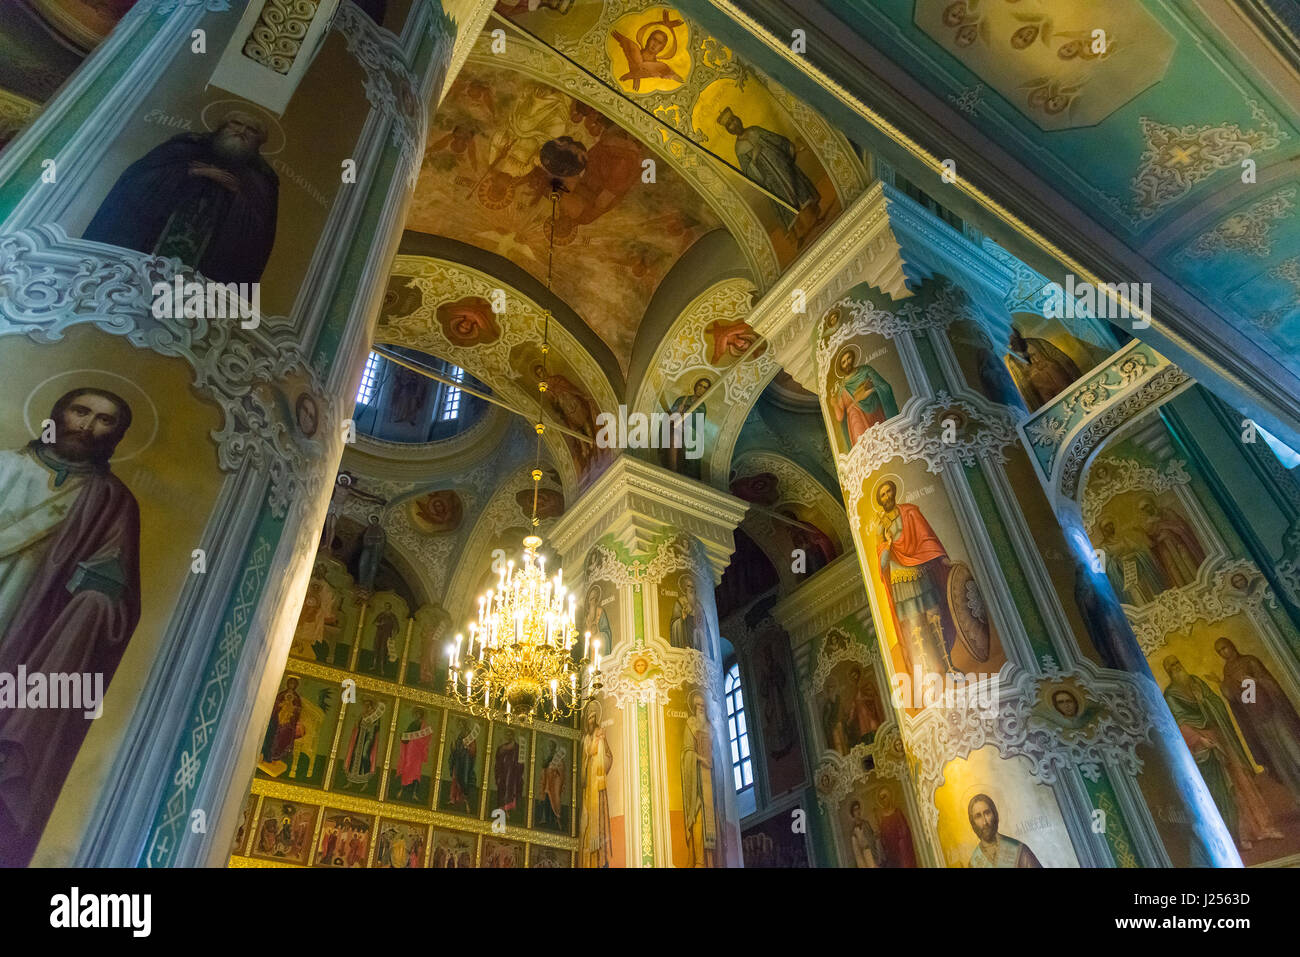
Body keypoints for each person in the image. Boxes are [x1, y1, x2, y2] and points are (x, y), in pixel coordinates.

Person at [0, 388, 142, 866]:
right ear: (57, 414)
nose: (88, 425)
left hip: (32, 630)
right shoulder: (5, 467)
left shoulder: (112, 502)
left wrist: (96, 600)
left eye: (105, 420)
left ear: (116, 437)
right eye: (80, 411)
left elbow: (118, 596)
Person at [83, 111, 278, 284]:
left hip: (206, 263)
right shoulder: (186, 146)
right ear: (222, 128)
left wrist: (238, 194)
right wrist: (194, 172)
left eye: (251, 130)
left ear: (258, 143)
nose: (241, 131)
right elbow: (136, 180)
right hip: (146, 248)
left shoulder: (260, 178)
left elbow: (259, 233)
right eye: (236, 124)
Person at [1162, 656, 1281, 850]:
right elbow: (1179, 723)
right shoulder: (1171, 695)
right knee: (1223, 790)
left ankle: (1261, 827)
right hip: (1204, 747)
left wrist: (1206, 701)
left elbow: (1215, 702)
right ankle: (1238, 835)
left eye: (1178, 663)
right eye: (1172, 666)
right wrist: (1199, 739)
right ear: (1168, 672)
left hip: (1220, 737)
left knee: (1242, 782)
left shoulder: (1196, 682)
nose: (1177, 668)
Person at [873, 479, 958, 679]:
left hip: (920, 572)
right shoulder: (881, 526)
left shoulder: (909, 512)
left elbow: (925, 537)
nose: (887, 497)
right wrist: (887, 544)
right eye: (883, 495)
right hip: (901, 580)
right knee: (915, 627)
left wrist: (941, 556)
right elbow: (882, 563)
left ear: (894, 492)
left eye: (889, 492)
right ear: (880, 500)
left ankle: (949, 666)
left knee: (935, 617)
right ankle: (928, 675)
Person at [1216, 637, 1300, 803]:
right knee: (1278, 755)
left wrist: (1254, 681)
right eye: (1220, 651)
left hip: (1274, 712)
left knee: (1292, 747)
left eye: (1225, 647)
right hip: (1257, 719)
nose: (1224, 653)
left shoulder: (1249, 661)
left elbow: (1268, 682)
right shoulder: (1227, 671)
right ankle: (1296, 792)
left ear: (1232, 645)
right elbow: (1238, 697)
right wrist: (1222, 685)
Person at [717, 106, 820, 232]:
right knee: (787, 203)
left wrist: (790, 147)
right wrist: (754, 159)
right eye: (730, 124)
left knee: (798, 189)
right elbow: (748, 172)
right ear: (729, 130)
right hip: (771, 180)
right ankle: (801, 231)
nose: (734, 124)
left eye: (734, 120)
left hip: (782, 166)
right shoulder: (739, 149)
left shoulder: (755, 130)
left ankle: (814, 219)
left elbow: (774, 139)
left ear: (738, 119)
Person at [829, 345, 897, 450]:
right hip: (855, 420)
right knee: (865, 450)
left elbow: (884, 387)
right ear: (841, 366)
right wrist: (834, 404)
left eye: (849, 358)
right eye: (843, 362)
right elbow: (840, 416)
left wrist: (870, 390)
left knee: (884, 443)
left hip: (874, 412)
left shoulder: (865, 370)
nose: (847, 363)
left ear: (853, 358)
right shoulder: (842, 386)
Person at [1005, 327, 1081, 410]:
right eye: (1010, 337)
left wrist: (1048, 364)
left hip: (1056, 376)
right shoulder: (1013, 358)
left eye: (1014, 336)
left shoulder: (1037, 343)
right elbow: (1022, 381)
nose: (1013, 338)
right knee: (1055, 408)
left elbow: (1059, 357)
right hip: (1041, 386)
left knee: (1072, 395)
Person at [681, 692, 717, 867]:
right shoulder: (690, 725)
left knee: (711, 819)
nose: (701, 709)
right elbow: (686, 751)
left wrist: (711, 759)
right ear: (694, 708)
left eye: (703, 706)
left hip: (710, 780)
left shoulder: (711, 728)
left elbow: (717, 752)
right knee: (698, 818)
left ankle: (710, 861)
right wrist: (698, 758)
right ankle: (699, 862)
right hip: (696, 781)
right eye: (698, 706)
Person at [1139, 497, 1205, 588]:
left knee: (1187, 561)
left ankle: (1200, 584)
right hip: (1166, 550)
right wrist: (1145, 535)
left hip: (1179, 544)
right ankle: (1184, 590)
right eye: (1143, 509)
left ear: (1152, 503)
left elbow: (1181, 526)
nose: (1146, 509)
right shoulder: (1148, 524)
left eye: (1147, 506)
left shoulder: (1166, 512)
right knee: (1173, 568)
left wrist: (1166, 527)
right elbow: (1153, 542)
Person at [966, 794, 1042, 867]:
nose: (985, 822)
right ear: (973, 823)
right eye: (978, 816)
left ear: (994, 815)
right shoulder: (974, 863)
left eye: (987, 813)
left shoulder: (1019, 850)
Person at [580, 703, 613, 867]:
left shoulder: (600, 735)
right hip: (590, 783)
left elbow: (608, 756)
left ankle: (601, 858)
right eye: (589, 718)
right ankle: (588, 859)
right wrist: (596, 743)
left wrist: (604, 741)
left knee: (599, 817)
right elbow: (588, 752)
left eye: (593, 717)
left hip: (598, 782)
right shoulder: (587, 738)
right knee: (589, 817)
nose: (591, 720)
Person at [339, 699, 385, 790]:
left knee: (364, 755)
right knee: (355, 754)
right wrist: (358, 723)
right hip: (360, 738)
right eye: (365, 705)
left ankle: (365, 781)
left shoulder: (375, 716)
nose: (366, 707)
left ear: (371, 705)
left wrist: (369, 726)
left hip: (368, 738)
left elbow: (376, 729)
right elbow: (357, 725)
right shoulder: (362, 715)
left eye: (367, 705)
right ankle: (351, 780)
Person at [394, 707, 433, 802]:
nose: (417, 715)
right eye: (416, 713)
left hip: (417, 751)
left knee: (416, 771)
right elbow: (407, 735)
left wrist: (417, 741)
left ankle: (414, 793)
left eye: (419, 714)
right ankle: (402, 790)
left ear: (421, 715)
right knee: (407, 767)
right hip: (410, 749)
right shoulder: (413, 724)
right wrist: (402, 736)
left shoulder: (424, 726)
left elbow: (426, 739)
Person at [875, 789, 916, 867]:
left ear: (889, 797)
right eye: (881, 798)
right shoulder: (882, 817)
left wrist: (901, 839)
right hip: (891, 851)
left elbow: (905, 830)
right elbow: (883, 834)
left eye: (885, 797)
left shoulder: (897, 812)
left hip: (901, 847)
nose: (884, 800)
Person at [448, 720, 479, 812]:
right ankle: (453, 798)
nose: (460, 726)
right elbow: (456, 748)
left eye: (461, 724)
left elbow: (473, 750)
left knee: (463, 779)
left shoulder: (469, 735)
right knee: (455, 777)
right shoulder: (460, 735)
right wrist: (454, 743)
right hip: (458, 760)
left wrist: (468, 748)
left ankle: (464, 800)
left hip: (465, 761)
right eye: (459, 724)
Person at [494, 729, 524, 813]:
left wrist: (517, 770)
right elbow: (498, 760)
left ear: (513, 736)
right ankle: (501, 807)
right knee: (502, 788)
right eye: (507, 734)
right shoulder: (502, 747)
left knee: (511, 789)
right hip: (503, 772)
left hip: (513, 774)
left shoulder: (517, 747)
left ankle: (509, 808)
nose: (508, 736)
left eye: (510, 734)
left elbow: (521, 762)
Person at [848, 800, 880, 868]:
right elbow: (857, 852)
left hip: (873, 853)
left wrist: (876, 836)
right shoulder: (854, 832)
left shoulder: (866, 823)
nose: (858, 811)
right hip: (865, 856)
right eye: (855, 810)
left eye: (858, 808)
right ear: (852, 813)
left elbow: (872, 838)